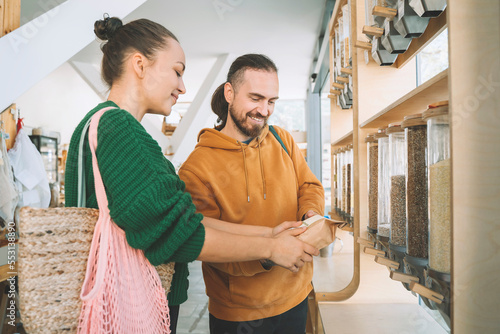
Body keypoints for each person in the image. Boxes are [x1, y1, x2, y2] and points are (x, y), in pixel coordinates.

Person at [64, 17, 319, 333]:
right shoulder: (118, 130)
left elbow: (183, 220)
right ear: (140, 65)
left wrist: (269, 235)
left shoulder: (112, 126)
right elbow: (179, 234)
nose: (182, 86)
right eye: (177, 71)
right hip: (127, 305)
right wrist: (269, 249)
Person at [178, 54, 325, 334]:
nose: (265, 110)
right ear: (229, 93)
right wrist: (269, 255)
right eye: (256, 98)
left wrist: (311, 213)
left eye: (271, 101)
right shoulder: (197, 168)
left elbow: (309, 186)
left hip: (296, 295)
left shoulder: (282, 139)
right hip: (237, 314)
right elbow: (207, 244)